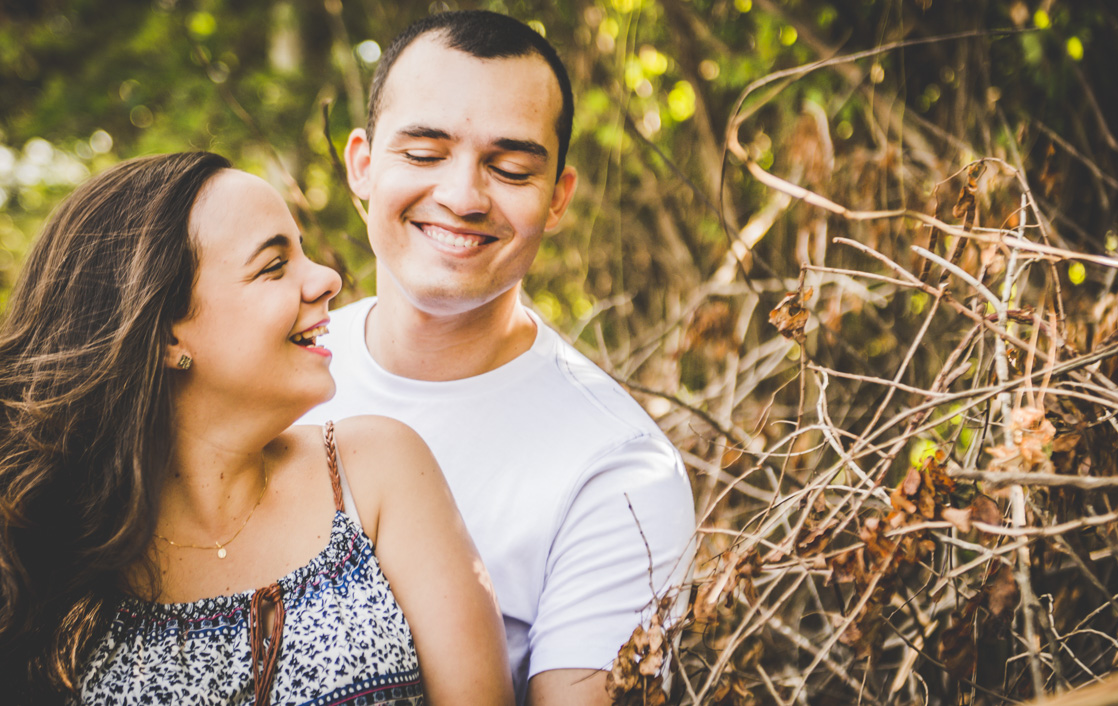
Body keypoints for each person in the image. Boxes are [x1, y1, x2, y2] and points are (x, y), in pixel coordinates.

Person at [0, 152, 514, 705]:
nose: (327, 279)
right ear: (169, 334)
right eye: (273, 266)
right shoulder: (45, 562)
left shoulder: (377, 472)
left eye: (302, 251)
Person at [297, 10, 697, 705]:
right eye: (424, 154)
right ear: (361, 165)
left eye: (509, 167)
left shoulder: (620, 471)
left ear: (557, 197)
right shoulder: (261, 378)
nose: (461, 196)